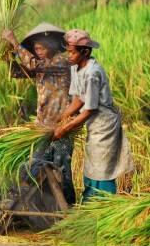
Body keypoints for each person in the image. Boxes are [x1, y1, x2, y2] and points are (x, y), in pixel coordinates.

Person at [54, 29, 134, 202]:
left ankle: (104, 205)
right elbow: (78, 99)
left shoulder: (93, 73)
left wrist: (65, 128)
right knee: (91, 165)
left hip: (105, 125)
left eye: (72, 52)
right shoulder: (76, 68)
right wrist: (59, 119)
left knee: (102, 168)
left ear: (85, 52)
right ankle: (91, 204)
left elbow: (89, 109)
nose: (69, 56)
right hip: (93, 124)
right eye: (68, 51)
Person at [2, 23, 76, 205]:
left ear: (52, 46)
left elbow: (33, 64)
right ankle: (47, 208)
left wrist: (14, 42)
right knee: (36, 166)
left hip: (61, 126)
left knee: (62, 168)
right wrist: (7, 57)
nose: (38, 50)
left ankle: (70, 208)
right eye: (35, 48)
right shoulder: (42, 67)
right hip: (42, 127)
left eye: (42, 47)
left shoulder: (60, 61)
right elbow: (18, 72)